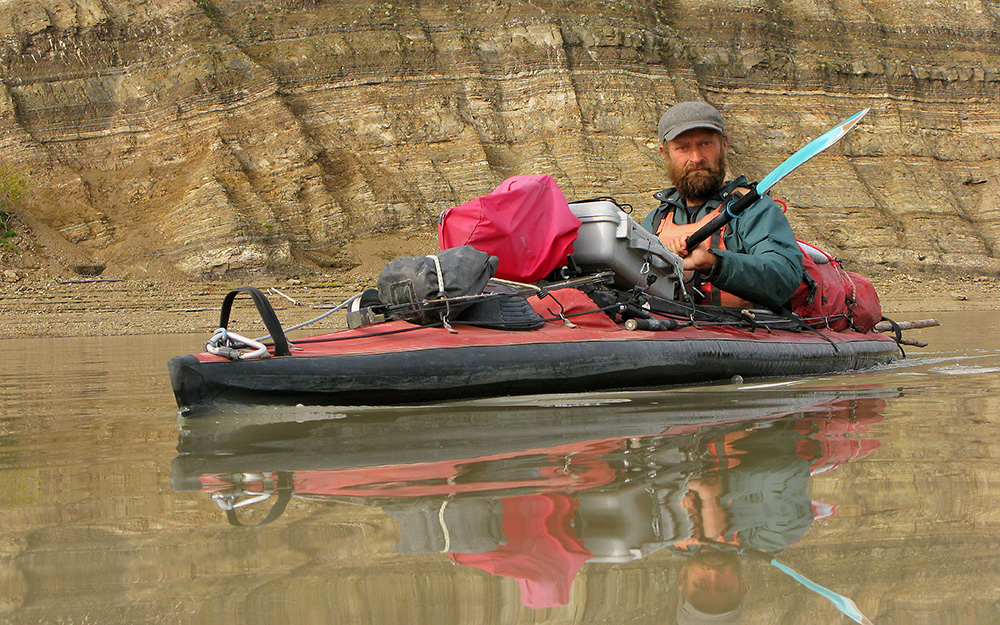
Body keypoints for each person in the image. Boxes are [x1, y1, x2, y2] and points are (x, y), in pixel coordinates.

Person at [641, 101, 804, 310]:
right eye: (682, 147)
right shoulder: (656, 220)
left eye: (706, 144)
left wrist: (714, 263)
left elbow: (785, 276)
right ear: (665, 153)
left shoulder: (753, 209)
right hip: (671, 335)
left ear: (724, 145)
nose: (696, 158)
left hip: (746, 335)